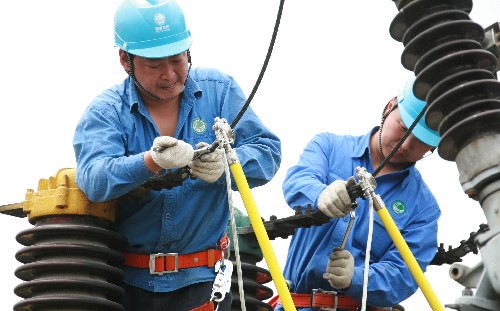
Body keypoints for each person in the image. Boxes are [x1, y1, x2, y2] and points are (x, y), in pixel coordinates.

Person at [72, 1, 281, 310]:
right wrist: (151, 162)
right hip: (126, 286)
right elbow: (93, 178)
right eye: (154, 65)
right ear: (124, 60)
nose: (169, 75)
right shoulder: (107, 112)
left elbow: (267, 151)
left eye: (177, 60)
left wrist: (226, 164)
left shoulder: (219, 92)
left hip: (203, 282)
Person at [275, 75, 441, 310]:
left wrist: (356, 277)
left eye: (421, 141)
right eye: (403, 128)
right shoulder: (329, 147)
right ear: (389, 107)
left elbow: (404, 275)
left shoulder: (423, 208)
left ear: (433, 148)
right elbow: (298, 180)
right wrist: (321, 195)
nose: (405, 144)